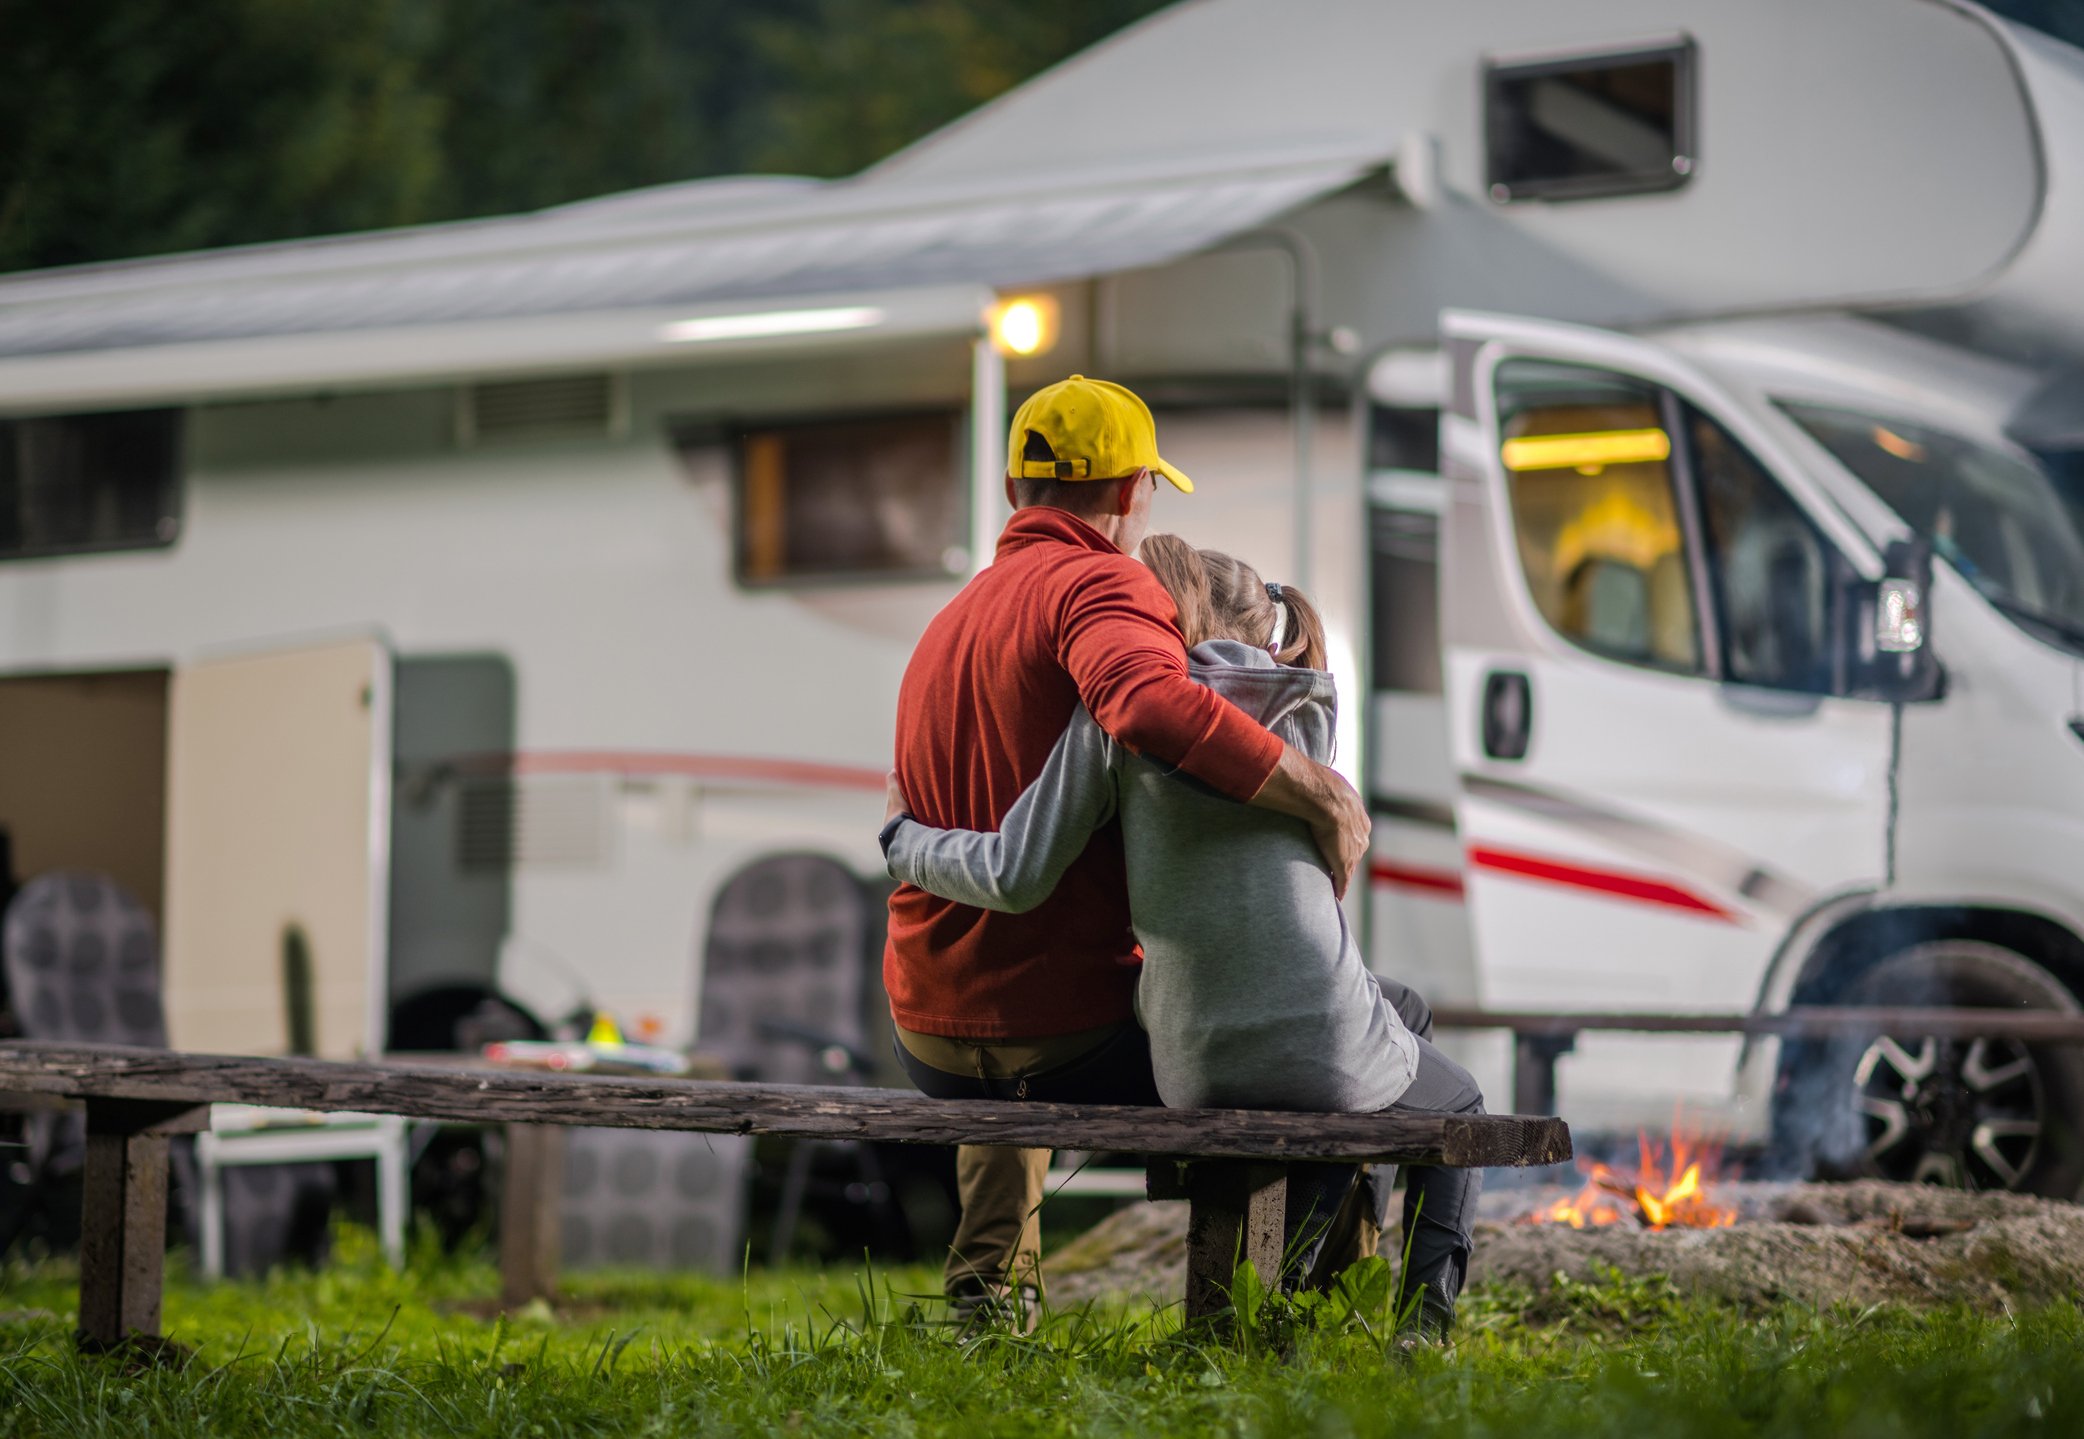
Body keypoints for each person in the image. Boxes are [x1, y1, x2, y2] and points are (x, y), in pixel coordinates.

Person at [884, 536, 1485, 1339]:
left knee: (1366, 1043)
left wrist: (903, 838)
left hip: (1186, 1053)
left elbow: (1014, 869)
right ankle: (1402, 1320)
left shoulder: (1101, 720)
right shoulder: (1305, 707)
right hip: (1295, 1033)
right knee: (1435, 1093)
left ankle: (1288, 1294)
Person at [881, 375, 1370, 1323]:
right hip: (1060, 1038)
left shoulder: (952, 622)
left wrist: (904, 845)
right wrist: (1319, 794)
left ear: (1019, 490)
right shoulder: (1102, 581)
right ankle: (1309, 1306)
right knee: (1283, 1051)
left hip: (927, 1030)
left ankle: (988, 1308)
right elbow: (1147, 703)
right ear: (1131, 490)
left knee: (1019, 983)